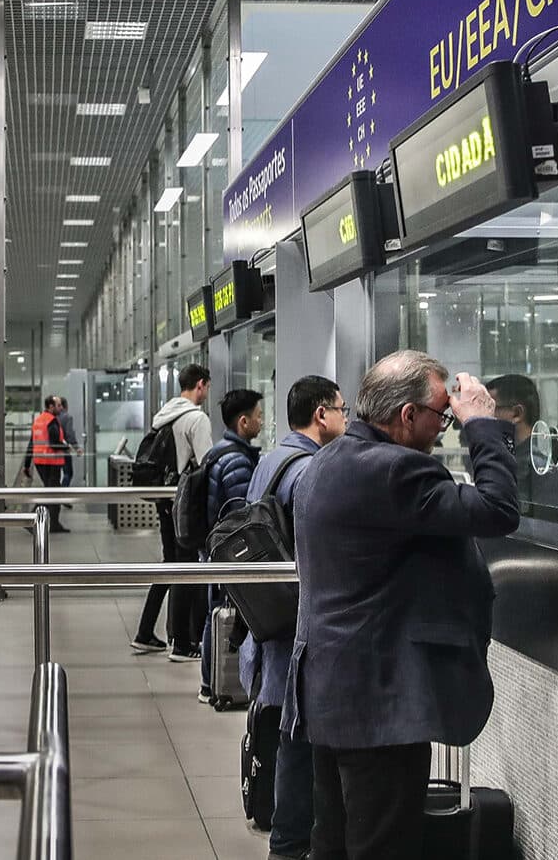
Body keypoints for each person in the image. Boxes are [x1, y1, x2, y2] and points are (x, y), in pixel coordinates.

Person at [289, 350, 519, 860]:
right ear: (408, 415)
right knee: (382, 846)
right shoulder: (393, 471)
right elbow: (499, 510)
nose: (446, 427)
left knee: (333, 841)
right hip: (379, 701)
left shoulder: (327, 461)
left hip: (332, 690)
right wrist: (481, 424)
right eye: (442, 414)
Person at [239, 375, 345, 860]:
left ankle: (287, 836)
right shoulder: (308, 471)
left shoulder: (271, 459)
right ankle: (288, 843)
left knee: (288, 730)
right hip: (298, 621)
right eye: (341, 410)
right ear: (321, 414)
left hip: (271, 617)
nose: (346, 420)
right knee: (298, 739)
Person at [131, 364, 214, 660]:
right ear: (200, 384)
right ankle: (181, 642)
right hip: (183, 501)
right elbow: (207, 463)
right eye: (207, 386)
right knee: (186, 567)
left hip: (163, 499)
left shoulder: (166, 414)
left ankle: (144, 633)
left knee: (170, 564)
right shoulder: (196, 418)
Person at [200, 388, 263, 702]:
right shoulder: (237, 460)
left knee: (214, 611)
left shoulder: (218, 450)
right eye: (258, 417)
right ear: (243, 421)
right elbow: (242, 512)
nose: (262, 422)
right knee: (223, 611)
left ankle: (209, 682)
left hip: (212, 545)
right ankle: (216, 684)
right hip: (228, 548)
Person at [488, 373, 558, 513]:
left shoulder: (546, 470)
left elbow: (556, 531)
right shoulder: (513, 460)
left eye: (488, 408)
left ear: (516, 413)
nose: (482, 418)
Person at [29, 394, 71, 533]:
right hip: (51, 461)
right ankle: (31, 520)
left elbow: (31, 443)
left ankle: (53, 524)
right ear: (51, 407)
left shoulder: (39, 420)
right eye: (58, 405)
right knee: (52, 493)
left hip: (40, 461)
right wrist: (67, 447)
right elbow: (54, 444)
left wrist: (26, 465)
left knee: (51, 491)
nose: (61, 408)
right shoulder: (52, 421)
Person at [55, 395, 79, 489]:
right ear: (66, 406)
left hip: (54, 450)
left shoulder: (53, 417)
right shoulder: (67, 417)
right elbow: (70, 434)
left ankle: (57, 494)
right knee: (68, 473)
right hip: (64, 450)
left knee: (56, 475)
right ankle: (62, 494)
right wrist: (77, 448)